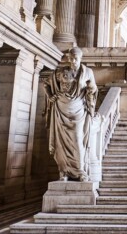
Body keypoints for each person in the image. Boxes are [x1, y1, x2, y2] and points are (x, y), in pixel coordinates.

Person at [44, 47, 98, 181]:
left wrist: (90, 98)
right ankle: (64, 172)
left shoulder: (87, 72)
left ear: (81, 59)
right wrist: (51, 96)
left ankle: (80, 172)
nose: (73, 61)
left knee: (78, 140)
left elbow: (93, 88)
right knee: (60, 143)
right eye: (71, 58)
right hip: (61, 109)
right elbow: (46, 84)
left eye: (76, 59)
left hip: (78, 111)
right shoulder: (61, 71)